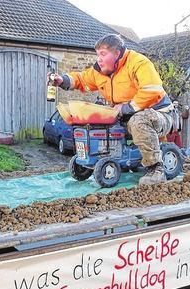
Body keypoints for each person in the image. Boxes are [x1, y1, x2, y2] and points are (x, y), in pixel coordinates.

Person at [51, 34, 174, 185]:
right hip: (126, 116)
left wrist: (127, 107)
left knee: (138, 121)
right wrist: (62, 80)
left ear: (117, 53)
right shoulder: (100, 71)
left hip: (159, 114)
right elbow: (82, 79)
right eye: (98, 55)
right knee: (101, 124)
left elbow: (152, 91)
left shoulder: (138, 63)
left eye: (103, 54)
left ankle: (156, 169)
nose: (99, 59)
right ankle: (113, 159)